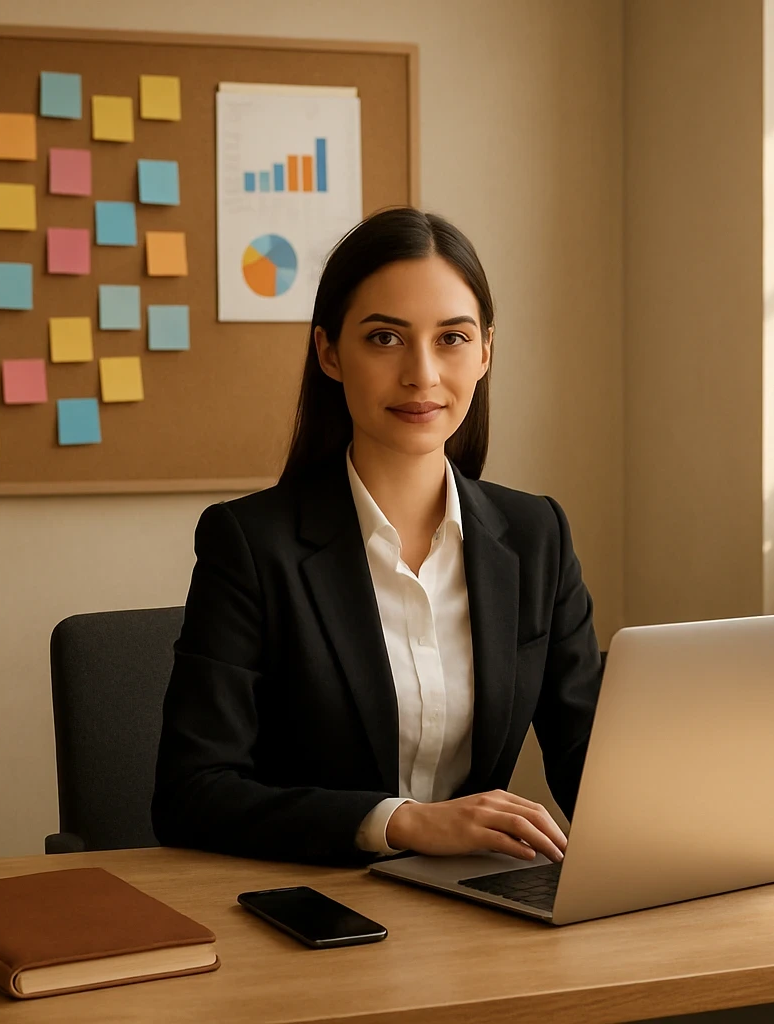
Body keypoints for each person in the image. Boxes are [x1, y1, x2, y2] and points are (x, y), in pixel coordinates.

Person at [151, 207, 603, 866]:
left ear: (485, 352)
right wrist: (401, 824)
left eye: (452, 338)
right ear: (329, 352)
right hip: (313, 909)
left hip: (474, 912)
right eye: (385, 339)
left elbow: (588, 757)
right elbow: (191, 795)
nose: (422, 373)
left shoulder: (537, 535)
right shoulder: (250, 544)